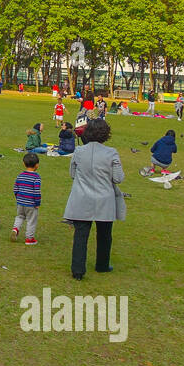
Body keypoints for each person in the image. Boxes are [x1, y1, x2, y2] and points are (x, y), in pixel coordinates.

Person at [63, 119, 124, 280]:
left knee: (81, 235)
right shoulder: (111, 153)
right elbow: (118, 178)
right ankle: (102, 265)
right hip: (104, 199)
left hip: (82, 197)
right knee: (104, 234)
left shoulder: (79, 151)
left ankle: (78, 270)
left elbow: (72, 174)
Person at [10, 152, 42, 246]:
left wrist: (18, 198)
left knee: (20, 216)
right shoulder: (36, 177)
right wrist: (37, 202)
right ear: (37, 165)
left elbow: (15, 189)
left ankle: (15, 229)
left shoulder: (20, 175)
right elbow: (37, 191)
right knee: (31, 220)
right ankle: (29, 238)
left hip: (20, 202)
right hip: (31, 204)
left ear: (23, 163)